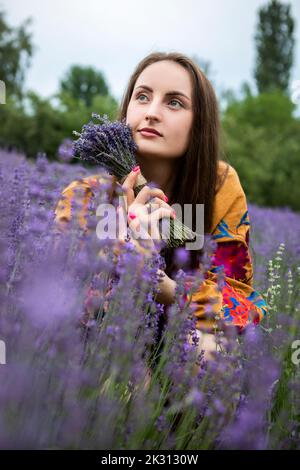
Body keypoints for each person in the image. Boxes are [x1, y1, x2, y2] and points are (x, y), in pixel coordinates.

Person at [54, 51, 268, 362]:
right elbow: (59, 299)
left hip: (182, 347)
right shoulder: (85, 197)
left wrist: (160, 284)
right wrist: (124, 249)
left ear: (199, 123)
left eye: (174, 102)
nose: (152, 112)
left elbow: (241, 306)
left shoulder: (217, 187)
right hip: (101, 348)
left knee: (214, 352)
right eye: (142, 97)